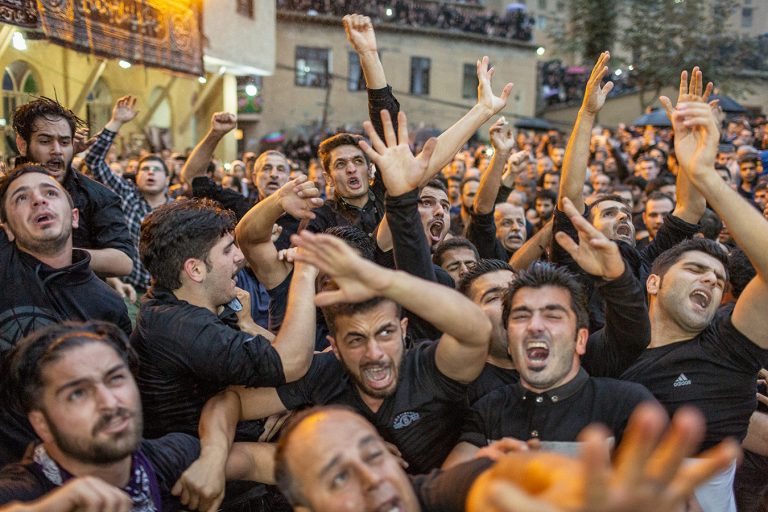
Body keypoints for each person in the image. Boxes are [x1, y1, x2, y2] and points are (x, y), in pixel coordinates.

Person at [187, 228, 492, 500]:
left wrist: (381, 279)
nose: (375, 353)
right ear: (333, 347)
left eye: (385, 333)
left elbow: (476, 329)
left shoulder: (428, 368)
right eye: (356, 340)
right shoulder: (323, 373)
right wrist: (213, 459)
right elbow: (230, 401)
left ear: (403, 329)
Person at [621, 70, 768, 511]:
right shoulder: (612, 350)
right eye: (697, 269)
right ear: (653, 281)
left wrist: (704, 173)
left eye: (719, 279)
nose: (711, 279)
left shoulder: (726, 349)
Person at [0, 322, 285, 511]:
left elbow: (257, 461)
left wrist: (213, 457)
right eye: (77, 394)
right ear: (41, 424)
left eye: (115, 379)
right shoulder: (26, 491)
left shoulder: (160, 460)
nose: (109, 402)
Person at [268, 404, 739, 512]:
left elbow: (495, 482)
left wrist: (570, 497)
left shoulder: (437, 493)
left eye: (374, 454)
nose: (371, 478)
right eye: (338, 478)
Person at [131, 198, 319, 439]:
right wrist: (305, 270)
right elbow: (291, 363)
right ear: (195, 270)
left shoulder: (178, 306)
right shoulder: (183, 328)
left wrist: (279, 402)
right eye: (229, 249)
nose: (240, 257)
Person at [0, 165, 131, 465]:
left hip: (71, 463)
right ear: (6, 228)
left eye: (50, 193)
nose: (38, 201)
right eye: (21, 198)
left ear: (74, 217)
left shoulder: (107, 305)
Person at [12, 97, 134, 277]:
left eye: (64, 142)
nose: (57, 150)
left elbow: (123, 261)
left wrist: (57, 254)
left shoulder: (97, 196)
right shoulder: (5, 193)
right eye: (45, 141)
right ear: (23, 145)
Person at [85, 96, 173, 302]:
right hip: (127, 288)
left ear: (167, 178)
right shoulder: (127, 194)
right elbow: (93, 161)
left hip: (167, 292)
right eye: (145, 169)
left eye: (156, 170)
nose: (150, 173)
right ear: (137, 176)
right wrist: (116, 122)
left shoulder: (178, 208)